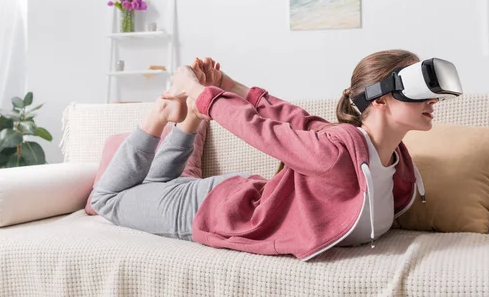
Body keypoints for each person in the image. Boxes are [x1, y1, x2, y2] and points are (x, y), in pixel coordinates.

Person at [91, 49, 452, 262]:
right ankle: (162, 115)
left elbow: (297, 120)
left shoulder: (387, 159)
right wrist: (200, 92)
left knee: (156, 185)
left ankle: (187, 121)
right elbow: (263, 131)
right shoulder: (342, 151)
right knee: (106, 199)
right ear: (381, 99)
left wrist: (230, 87)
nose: (432, 100)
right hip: (208, 209)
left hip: (238, 194)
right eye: (420, 90)